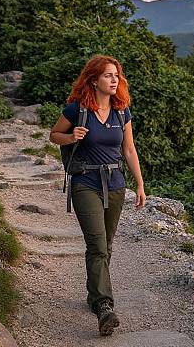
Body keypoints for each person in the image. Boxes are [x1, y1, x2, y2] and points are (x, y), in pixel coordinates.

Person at [49, 54, 146, 336]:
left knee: (107, 245)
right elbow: (54, 134)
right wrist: (71, 137)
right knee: (98, 245)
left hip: (115, 184)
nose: (114, 80)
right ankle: (104, 307)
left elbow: (129, 150)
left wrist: (139, 185)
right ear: (93, 80)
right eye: (108, 75)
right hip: (85, 183)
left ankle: (94, 295)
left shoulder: (121, 111)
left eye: (116, 75)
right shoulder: (76, 110)